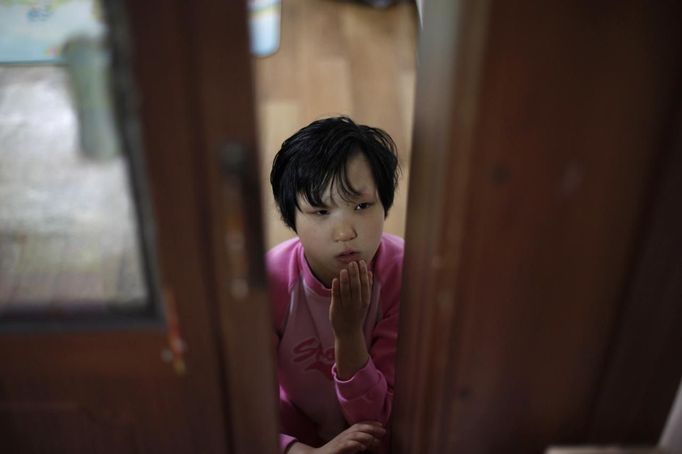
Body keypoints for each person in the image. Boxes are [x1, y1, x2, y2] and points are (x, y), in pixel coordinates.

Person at [267, 116, 403, 453]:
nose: (345, 233)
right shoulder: (272, 280)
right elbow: (242, 409)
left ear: (384, 204)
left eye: (361, 206)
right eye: (320, 211)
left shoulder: (403, 275)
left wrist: (348, 335)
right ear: (291, 219)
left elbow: (379, 419)